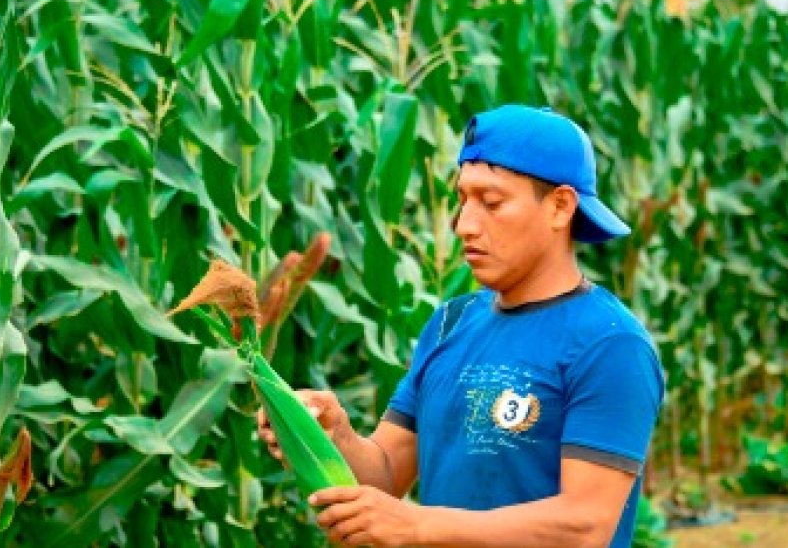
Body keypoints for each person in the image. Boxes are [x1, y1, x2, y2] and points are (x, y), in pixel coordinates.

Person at [257, 104, 665, 547]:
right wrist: (333, 436)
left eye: (491, 202)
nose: (464, 225)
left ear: (560, 207)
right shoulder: (450, 323)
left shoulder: (609, 344)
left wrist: (416, 525)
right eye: (463, 199)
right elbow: (386, 475)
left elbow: (584, 526)